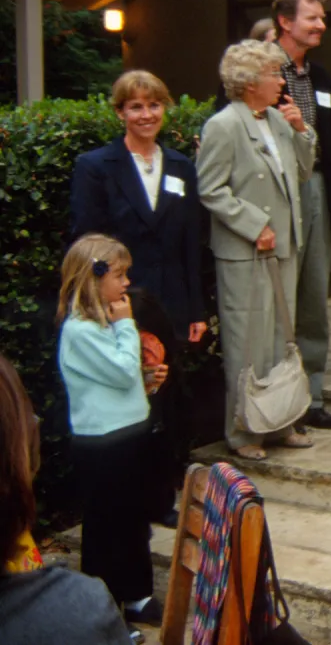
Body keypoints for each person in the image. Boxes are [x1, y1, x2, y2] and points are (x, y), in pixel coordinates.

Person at [70, 71, 206, 525]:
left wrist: (196, 309)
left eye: (154, 105)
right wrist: (103, 300)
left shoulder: (182, 167)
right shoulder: (96, 166)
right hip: (120, 300)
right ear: (119, 112)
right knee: (132, 397)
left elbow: (192, 243)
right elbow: (88, 239)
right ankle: (136, 498)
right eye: (135, 106)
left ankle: (163, 498)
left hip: (171, 301)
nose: (146, 114)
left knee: (167, 401)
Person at [197, 41, 317, 459]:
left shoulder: (277, 120)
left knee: (281, 338)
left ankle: (280, 420)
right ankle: (243, 431)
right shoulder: (224, 126)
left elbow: (303, 173)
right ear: (250, 82)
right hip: (245, 251)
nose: (281, 81)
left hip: (283, 244)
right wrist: (253, 223)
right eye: (273, 74)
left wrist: (302, 130)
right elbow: (211, 189)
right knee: (247, 341)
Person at [55, 234, 168, 630]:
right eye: (119, 275)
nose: (125, 285)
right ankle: (105, 612)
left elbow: (121, 377)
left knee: (134, 521)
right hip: (103, 446)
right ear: (93, 277)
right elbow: (120, 371)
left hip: (129, 436)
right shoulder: (80, 331)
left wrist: (147, 379)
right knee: (107, 529)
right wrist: (127, 326)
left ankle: (138, 596)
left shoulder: (103, 324)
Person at [268, 0, 331, 432]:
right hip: (276, 194)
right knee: (279, 298)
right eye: (313, 18)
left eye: (323, 17)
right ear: (286, 22)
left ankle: (314, 394)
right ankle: (277, 400)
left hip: (318, 189)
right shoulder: (261, 71)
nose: (322, 24)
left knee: (314, 298)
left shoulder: (321, 77)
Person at [0, 353, 132, 645]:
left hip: (117, 436)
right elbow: (123, 371)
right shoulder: (77, 613)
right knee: (102, 521)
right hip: (98, 440)